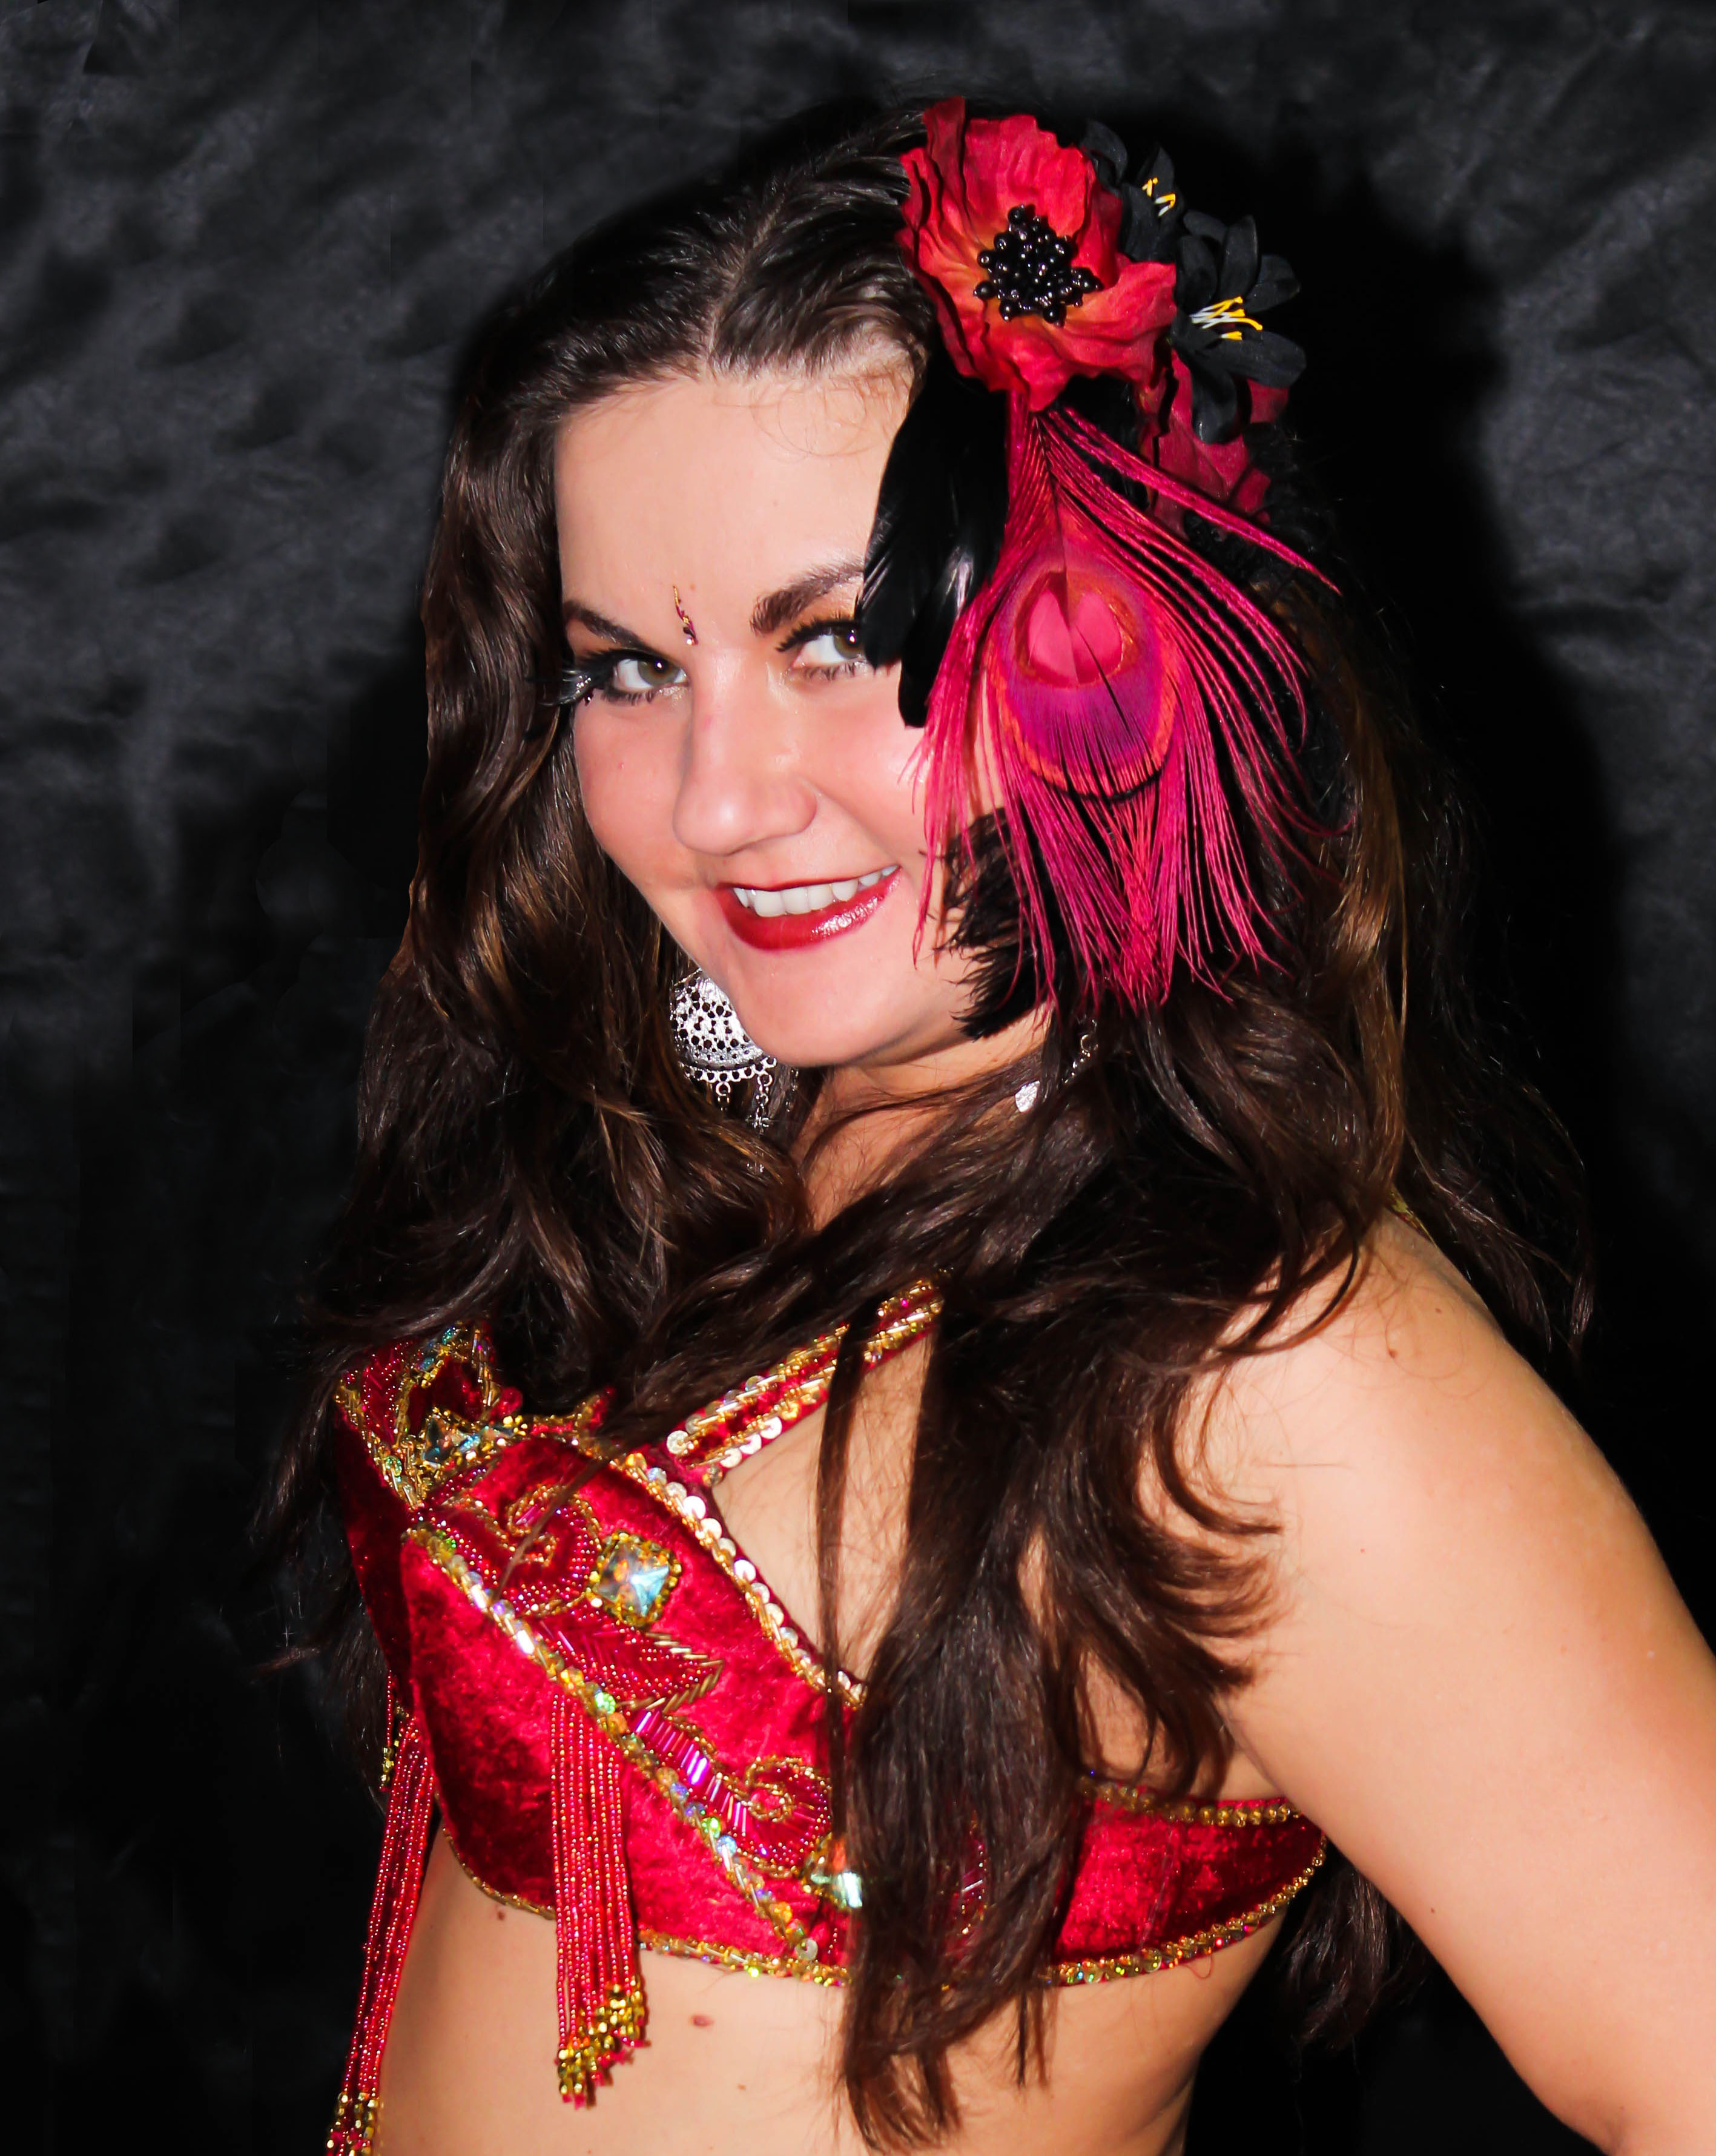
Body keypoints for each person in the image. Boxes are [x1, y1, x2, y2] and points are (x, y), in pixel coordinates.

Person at [273, 99, 1716, 2156]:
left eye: (839, 641)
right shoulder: (706, 1116)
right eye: (626, 670)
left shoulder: (1276, 1371)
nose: (717, 800)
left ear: (1117, 643)